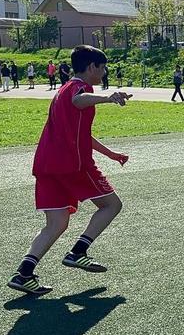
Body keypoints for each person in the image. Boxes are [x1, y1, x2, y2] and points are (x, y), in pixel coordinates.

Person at [7, 45, 133, 295]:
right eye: (103, 67)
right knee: (112, 205)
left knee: (56, 223)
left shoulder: (63, 90)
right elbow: (79, 99)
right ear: (92, 67)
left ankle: (23, 273)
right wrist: (108, 97)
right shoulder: (79, 88)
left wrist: (111, 154)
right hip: (72, 165)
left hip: (47, 165)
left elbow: (82, 133)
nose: (105, 71)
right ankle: (78, 252)